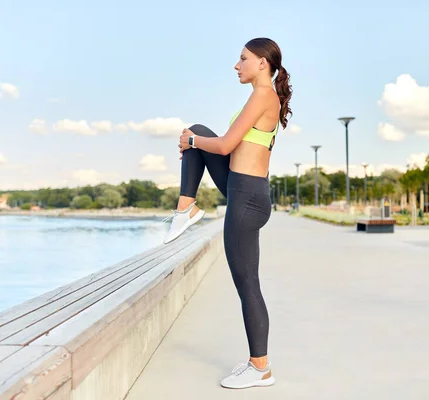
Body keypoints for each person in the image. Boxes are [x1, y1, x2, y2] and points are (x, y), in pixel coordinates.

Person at [162, 37, 293, 389]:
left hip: (246, 198)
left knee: (247, 284)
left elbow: (224, 146)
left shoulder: (264, 95)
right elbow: (222, 147)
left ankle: (260, 368)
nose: (237, 65)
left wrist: (190, 144)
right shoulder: (264, 96)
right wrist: (195, 142)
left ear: (262, 63)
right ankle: (185, 208)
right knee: (198, 131)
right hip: (244, 188)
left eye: (243, 59)